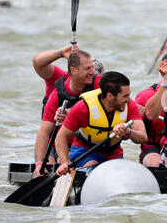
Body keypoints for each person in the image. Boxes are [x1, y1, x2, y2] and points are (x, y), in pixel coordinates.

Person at [55, 71, 147, 176]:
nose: (128, 99)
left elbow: (143, 137)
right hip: (84, 153)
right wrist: (64, 163)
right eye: (125, 96)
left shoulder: (129, 105)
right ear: (110, 96)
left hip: (113, 154)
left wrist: (128, 131)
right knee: (95, 171)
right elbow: (61, 137)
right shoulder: (83, 107)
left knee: (120, 175)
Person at [33, 49, 102, 177]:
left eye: (94, 70)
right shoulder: (57, 92)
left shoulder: (99, 86)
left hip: (80, 144)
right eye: (88, 69)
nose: (92, 74)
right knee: (48, 167)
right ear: (74, 70)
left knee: (66, 160)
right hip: (56, 142)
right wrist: (39, 164)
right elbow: (44, 132)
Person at [135, 52, 167, 167]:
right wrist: (139, 118)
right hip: (153, 148)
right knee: (155, 163)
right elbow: (133, 134)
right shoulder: (144, 96)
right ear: (162, 71)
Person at [32, 45, 105, 117]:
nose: (89, 81)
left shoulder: (99, 89)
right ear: (75, 71)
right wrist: (61, 53)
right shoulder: (60, 79)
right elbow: (37, 62)